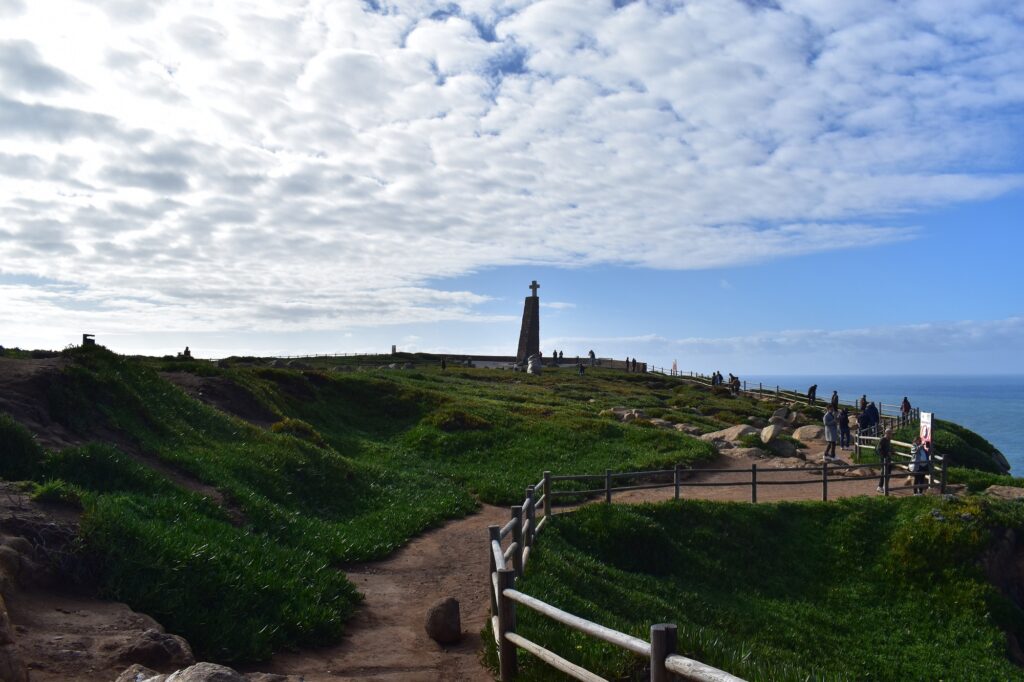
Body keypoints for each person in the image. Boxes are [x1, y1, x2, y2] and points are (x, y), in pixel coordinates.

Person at [876, 427, 892, 493]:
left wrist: (891, 451)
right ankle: (880, 487)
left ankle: (885, 486)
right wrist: (885, 455)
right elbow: (878, 449)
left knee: (888, 472)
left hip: (888, 459)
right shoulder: (882, 440)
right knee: (884, 473)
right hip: (884, 459)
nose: (891, 435)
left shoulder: (888, 440)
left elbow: (888, 448)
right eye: (890, 433)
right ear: (886, 433)